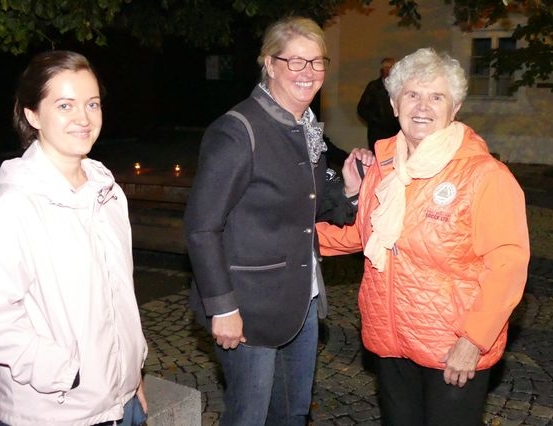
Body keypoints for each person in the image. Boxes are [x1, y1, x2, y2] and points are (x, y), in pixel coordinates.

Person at [317, 47, 530, 426]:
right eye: (412, 94)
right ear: (394, 104)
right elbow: (362, 233)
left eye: (436, 97)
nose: (422, 107)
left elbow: (508, 265)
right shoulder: (383, 168)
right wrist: (288, 238)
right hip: (391, 339)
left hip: (450, 347)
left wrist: (473, 340)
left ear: (455, 107)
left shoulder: (485, 176)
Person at [184, 17, 371, 426]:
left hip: (300, 301)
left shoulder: (305, 127)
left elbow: (308, 204)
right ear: (269, 63)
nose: (309, 72)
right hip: (248, 307)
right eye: (295, 61)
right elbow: (201, 228)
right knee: (249, 417)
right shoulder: (238, 131)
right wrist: (222, 308)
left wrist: (349, 189)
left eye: (317, 61)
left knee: (292, 412)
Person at [0, 50, 148, 426]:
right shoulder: (11, 207)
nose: (83, 118)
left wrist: (129, 374)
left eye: (92, 103)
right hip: (56, 411)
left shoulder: (108, 193)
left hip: (123, 402)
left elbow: (117, 295)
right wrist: (68, 373)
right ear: (32, 115)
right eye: (65, 105)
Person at [357, 57, 401, 151]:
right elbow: (362, 109)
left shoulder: (400, 87)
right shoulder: (373, 87)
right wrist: (376, 120)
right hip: (378, 134)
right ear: (382, 70)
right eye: (386, 67)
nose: (388, 70)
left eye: (391, 67)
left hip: (396, 133)